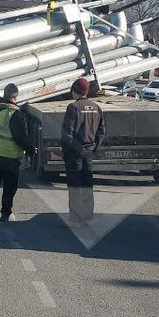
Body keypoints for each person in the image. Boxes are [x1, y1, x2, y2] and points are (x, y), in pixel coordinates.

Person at [0, 82, 35, 222]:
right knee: (9, 186)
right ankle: (6, 213)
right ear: (15, 97)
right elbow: (20, 137)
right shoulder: (13, 113)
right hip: (9, 155)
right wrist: (31, 150)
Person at [61, 77, 105, 227]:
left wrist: (68, 152)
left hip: (75, 153)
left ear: (75, 91)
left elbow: (67, 134)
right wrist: (94, 148)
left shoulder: (73, 108)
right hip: (89, 152)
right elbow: (101, 132)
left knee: (75, 186)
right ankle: (87, 217)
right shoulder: (96, 107)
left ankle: (75, 220)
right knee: (87, 185)